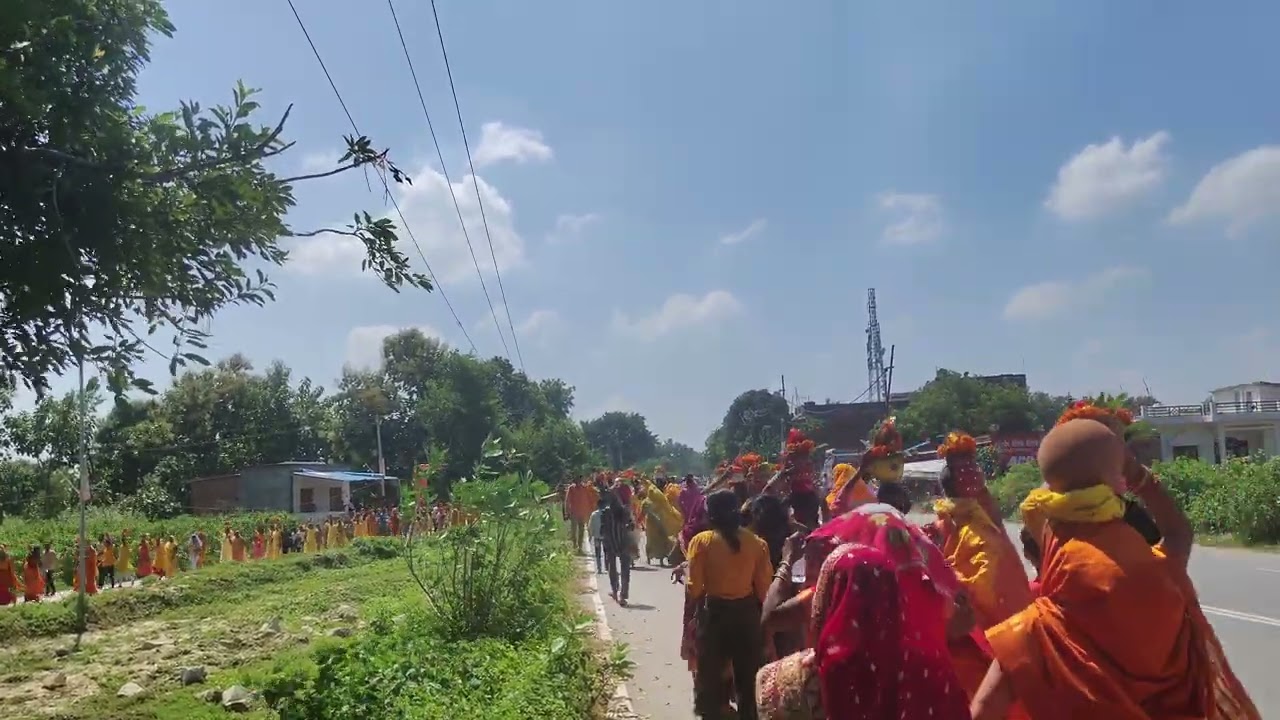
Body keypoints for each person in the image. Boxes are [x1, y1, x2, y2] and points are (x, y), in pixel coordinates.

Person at [971, 417, 1256, 720]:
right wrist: (1140, 478)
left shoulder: (1037, 632)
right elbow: (1178, 534)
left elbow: (982, 711)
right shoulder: (1162, 576)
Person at [756, 542, 972, 720]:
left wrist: (787, 560)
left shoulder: (792, 680)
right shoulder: (935, 671)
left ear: (826, 595)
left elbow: (770, 617)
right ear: (893, 595)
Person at [931, 431, 1032, 630]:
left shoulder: (949, 519)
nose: (975, 474)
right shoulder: (972, 530)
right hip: (993, 627)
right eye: (967, 471)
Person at [685, 489, 772, 720]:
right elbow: (764, 591)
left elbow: (695, 589)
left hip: (714, 617)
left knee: (710, 678)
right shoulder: (757, 544)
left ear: (710, 515)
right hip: (746, 617)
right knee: (749, 679)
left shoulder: (701, 542)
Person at [600, 493, 635, 606]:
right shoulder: (624, 511)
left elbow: (602, 529)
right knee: (624, 569)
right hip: (623, 542)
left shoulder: (606, 512)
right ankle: (622, 595)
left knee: (612, 567)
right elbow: (632, 526)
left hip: (611, 543)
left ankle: (615, 591)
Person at [565, 477, 598, 553]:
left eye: (579, 481)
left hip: (583, 512)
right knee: (573, 531)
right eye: (577, 481)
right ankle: (574, 545)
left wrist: (591, 509)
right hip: (574, 512)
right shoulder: (571, 489)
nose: (578, 483)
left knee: (581, 530)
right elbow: (567, 501)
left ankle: (580, 547)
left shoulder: (585, 488)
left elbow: (590, 499)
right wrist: (567, 512)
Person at [588, 498, 606, 574]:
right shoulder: (608, 514)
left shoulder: (594, 514)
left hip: (597, 536)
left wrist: (590, 535)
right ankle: (607, 567)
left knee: (598, 553)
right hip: (606, 537)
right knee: (606, 552)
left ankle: (599, 568)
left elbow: (590, 526)